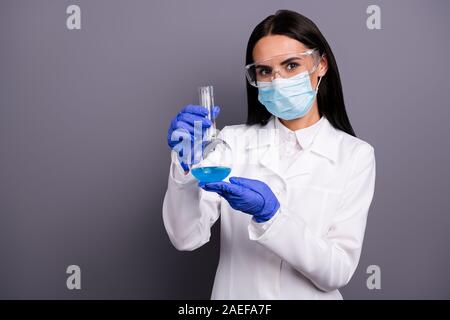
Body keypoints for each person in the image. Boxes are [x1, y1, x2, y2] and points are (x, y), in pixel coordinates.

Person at [163, 9, 376, 300]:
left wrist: (272, 216)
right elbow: (185, 237)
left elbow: (337, 271)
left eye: (291, 65)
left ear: (321, 65)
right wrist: (184, 167)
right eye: (265, 71)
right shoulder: (230, 142)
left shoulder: (355, 156)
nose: (277, 81)